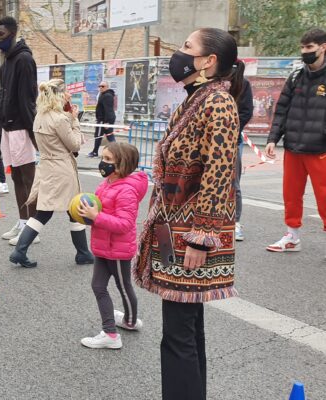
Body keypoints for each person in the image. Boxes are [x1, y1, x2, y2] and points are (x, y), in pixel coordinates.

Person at [133, 28, 242, 400]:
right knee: (187, 332)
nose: (178, 53)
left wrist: (202, 237)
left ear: (209, 61)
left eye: (187, 47)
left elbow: (219, 173)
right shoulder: (198, 98)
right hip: (177, 228)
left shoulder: (218, 102)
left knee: (179, 336)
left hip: (191, 233)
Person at [8, 80, 94, 268]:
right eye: (66, 92)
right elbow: (75, 145)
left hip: (47, 166)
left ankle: (82, 253)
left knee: (50, 211)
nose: (68, 95)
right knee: (66, 210)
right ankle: (81, 253)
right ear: (59, 96)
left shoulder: (40, 116)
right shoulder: (60, 119)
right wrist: (75, 120)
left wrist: (69, 116)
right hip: (62, 168)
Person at [78, 143, 148, 350]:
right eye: (103, 158)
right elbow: (100, 212)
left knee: (123, 286)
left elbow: (124, 224)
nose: (103, 163)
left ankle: (112, 334)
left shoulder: (126, 190)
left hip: (117, 250)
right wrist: (85, 215)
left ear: (121, 165)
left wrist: (96, 217)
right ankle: (128, 322)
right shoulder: (107, 184)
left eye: (108, 159)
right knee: (99, 286)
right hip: (103, 246)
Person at [265, 28, 326, 253]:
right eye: (302, 47)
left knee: (324, 197)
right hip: (293, 147)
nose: (305, 51)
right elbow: (281, 110)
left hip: (320, 149)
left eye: (309, 47)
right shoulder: (295, 76)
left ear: (323, 47)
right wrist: (273, 138)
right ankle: (292, 236)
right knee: (291, 195)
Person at [0, 16, 40, 246]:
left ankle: (33, 229)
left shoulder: (24, 59)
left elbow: (28, 98)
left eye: (1, 34)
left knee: (29, 178)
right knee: (16, 177)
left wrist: (33, 132)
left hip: (23, 126)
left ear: (12, 33)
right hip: (9, 127)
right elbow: (6, 96)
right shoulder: (5, 64)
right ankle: (23, 222)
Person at [231, 71, 254, 241]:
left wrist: (229, 128)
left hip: (232, 141)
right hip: (207, 140)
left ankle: (235, 222)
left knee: (233, 183)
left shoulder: (242, 83)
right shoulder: (210, 80)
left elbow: (246, 112)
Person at [88, 81, 116, 158]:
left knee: (98, 135)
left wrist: (107, 122)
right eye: (99, 86)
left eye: (103, 86)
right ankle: (117, 152)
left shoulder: (107, 96)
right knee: (109, 136)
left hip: (103, 120)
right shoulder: (103, 94)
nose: (100, 87)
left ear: (107, 87)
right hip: (103, 120)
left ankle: (95, 152)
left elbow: (108, 110)